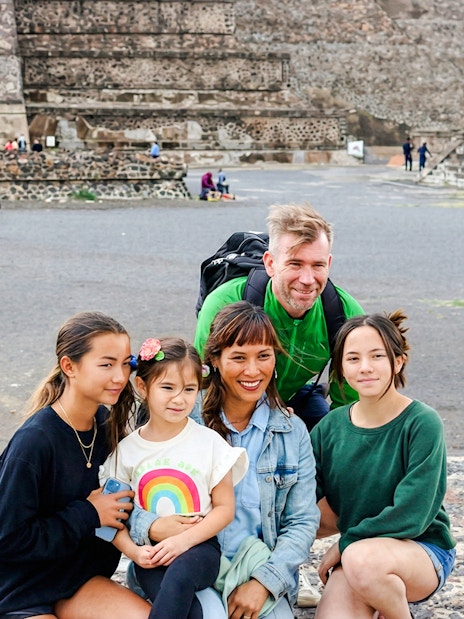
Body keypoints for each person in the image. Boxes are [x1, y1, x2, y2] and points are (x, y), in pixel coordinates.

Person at [128, 302, 320, 618]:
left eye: (264, 355)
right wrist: (153, 526)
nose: (253, 370)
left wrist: (264, 582)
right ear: (215, 360)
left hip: (255, 567)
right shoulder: (181, 415)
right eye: (239, 357)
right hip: (187, 561)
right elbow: (128, 497)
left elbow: (301, 520)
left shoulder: (291, 431)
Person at [0, 311, 151, 619]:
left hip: (78, 581)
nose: (120, 377)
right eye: (106, 364)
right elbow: (7, 540)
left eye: (125, 363)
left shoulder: (107, 425)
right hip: (20, 589)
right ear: (69, 366)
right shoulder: (35, 442)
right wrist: (88, 514)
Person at [310, 311, 456, 619]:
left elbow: (413, 513)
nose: (365, 368)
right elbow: (303, 500)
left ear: (398, 361)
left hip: (421, 550)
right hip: (359, 557)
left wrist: (344, 544)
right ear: (340, 368)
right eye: (353, 358)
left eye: (377, 356)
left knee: (362, 560)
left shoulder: (421, 422)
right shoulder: (329, 428)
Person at [99, 336, 248, 619]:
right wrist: (134, 552)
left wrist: (184, 541)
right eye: (167, 387)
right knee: (189, 611)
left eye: (189, 389)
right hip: (150, 555)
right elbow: (110, 522)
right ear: (142, 387)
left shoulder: (210, 443)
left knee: (179, 580)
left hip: (199, 549)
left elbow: (225, 509)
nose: (180, 399)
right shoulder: (126, 452)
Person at [194, 203, 364, 431]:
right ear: (270, 263)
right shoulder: (224, 304)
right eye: (295, 263)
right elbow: (202, 385)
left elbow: (350, 403)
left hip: (296, 396)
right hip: (233, 403)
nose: (307, 279)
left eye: (318, 265)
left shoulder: (345, 315)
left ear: (329, 264)